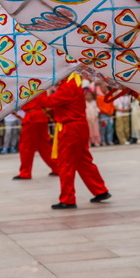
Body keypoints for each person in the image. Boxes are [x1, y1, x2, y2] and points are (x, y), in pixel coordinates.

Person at [36, 74, 112, 209]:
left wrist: (38, 91)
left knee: (66, 164)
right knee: (84, 162)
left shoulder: (68, 86)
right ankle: (100, 190)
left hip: (71, 129)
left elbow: (49, 102)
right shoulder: (72, 83)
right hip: (77, 127)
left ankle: (68, 199)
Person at [11, 94, 57, 180]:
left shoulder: (25, 85)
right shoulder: (41, 85)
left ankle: (25, 172)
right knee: (45, 146)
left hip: (31, 116)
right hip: (42, 115)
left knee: (26, 146)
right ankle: (56, 168)